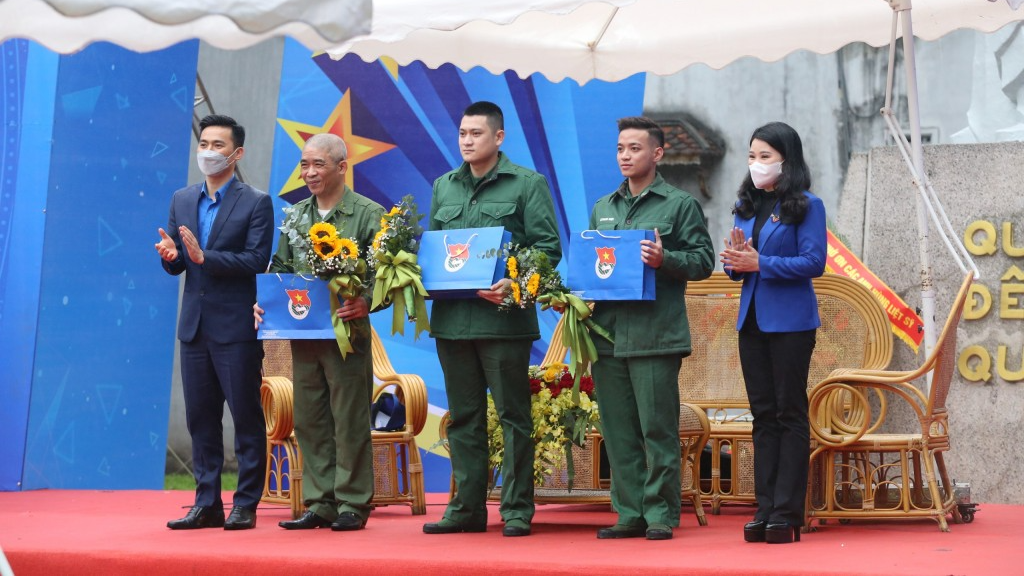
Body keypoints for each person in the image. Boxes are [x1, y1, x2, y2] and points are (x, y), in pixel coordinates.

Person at [422, 101, 561, 538]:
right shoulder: (444, 186)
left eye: (476, 133)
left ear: (498, 138)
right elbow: (436, 251)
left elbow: (547, 249)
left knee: (512, 415)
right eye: (462, 133)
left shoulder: (526, 184)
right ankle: (466, 508)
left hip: (503, 322)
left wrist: (514, 282)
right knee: (462, 417)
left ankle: (517, 509)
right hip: (452, 321)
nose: (466, 140)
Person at [587, 116, 714, 541]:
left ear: (657, 153)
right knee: (618, 431)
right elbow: (595, 264)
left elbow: (703, 261)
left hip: (655, 334)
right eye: (621, 148)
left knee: (656, 429)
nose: (625, 155)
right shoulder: (604, 207)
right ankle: (629, 512)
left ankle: (659, 513)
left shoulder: (679, 204)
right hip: (607, 334)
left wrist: (666, 259)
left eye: (635, 148)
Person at [255, 133, 384, 532]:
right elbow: (279, 267)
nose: (309, 173)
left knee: (349, 419)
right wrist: (265, 303)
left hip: (347, 335)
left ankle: (352, 503)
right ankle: (320, 501)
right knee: (310, 419)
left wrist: (366, 300)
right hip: (304, 334)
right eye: (304, 165)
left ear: (342, 167)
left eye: (318, 165)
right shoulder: (295, 216)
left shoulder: (368, 213)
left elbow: (391, 273)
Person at [155, 114, 274, 530]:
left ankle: (246, 503)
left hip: (236, 327)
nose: (208, 151)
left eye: (218, 145)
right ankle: (206, 502)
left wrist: (209, 258)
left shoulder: (256, 202)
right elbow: (178, 264)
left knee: (244, 417)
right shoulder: (182, 199)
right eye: (204, 143)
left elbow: (257, 260)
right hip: (194, 328)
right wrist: (171, 257)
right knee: (200, 418)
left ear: (236, 153)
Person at [719, 121, 826, 544]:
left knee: (789, 413)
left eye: (765, 156)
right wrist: (735, 261)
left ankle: (787, 512)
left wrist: (761, 263)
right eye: (751, 156)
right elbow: (734, 268)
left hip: (792, 324)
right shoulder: (745, 205)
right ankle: (763, 509)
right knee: (762, 416)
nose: (756, 164)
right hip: (752, 321)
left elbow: (813, 262)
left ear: (787, 159)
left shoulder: (807, 205)